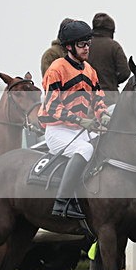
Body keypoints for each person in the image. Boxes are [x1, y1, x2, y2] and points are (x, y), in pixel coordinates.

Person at [38, 20, 110, 219]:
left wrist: (103, 115)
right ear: (69, 46)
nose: (86, 48)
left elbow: (98, 99)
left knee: (106, 146)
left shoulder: (90, 70)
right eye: (82, 44)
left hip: (80, 130)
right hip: (57, 130)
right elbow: (52, 106)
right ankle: (62, 202)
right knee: (85, 150)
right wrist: (80, 121)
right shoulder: (56, 69)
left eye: (88, 44)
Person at [88, 12, 131, 106]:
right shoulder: (114, 46)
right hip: (109, 99)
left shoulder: (84, 46)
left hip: (86, 99)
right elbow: (125, 72)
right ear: (111, 30)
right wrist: (112, 81)